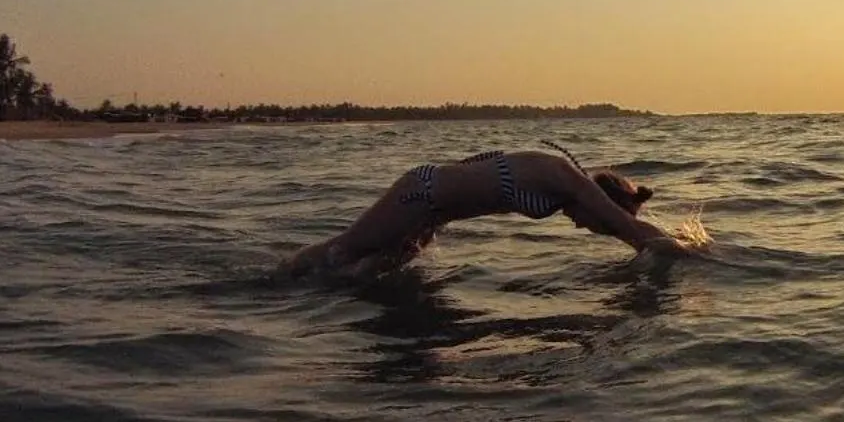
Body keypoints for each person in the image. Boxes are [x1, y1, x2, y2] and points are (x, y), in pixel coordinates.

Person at [277, 147, 690, 278]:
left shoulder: (564, 187)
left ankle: (302, 293)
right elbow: (631, 230)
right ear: (600, 205)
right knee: (344, 252)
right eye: (592, 225)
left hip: (432, 214)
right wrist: (696, 254)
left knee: (362, 278)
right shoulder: (567, 179)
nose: (582, 227)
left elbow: (625, 229)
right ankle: (274, 280)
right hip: (420, 195)